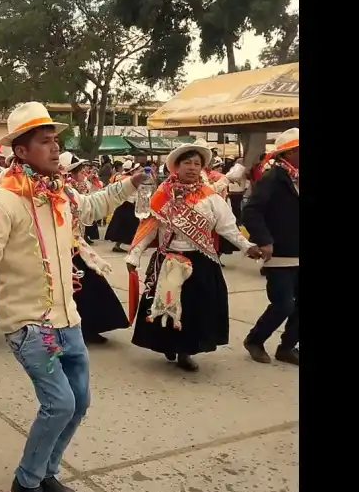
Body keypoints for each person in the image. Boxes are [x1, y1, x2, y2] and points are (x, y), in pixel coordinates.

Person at [0, 102, 147, 492]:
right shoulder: (5, 198)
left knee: (79, 402)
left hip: (68, 318)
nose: (54, 148)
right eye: (45, 142)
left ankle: (47, 474)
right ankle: (27, 482)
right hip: (31, 324)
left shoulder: (59, 190)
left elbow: (89, 208)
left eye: (55, 140)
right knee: (59, 402)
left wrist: (127, 185)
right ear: (23, 150)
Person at [126, 143, 262, 372]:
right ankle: (167, 343)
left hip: (201, 260)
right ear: (176, 167)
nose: (192, 168)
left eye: (197, 164)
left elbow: (227, 226)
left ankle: (186, 351)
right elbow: (149, 227)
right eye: (187, 163)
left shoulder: (210, 196)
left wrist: (246, 246)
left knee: (195, 309)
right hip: (169, 258)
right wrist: (135, 254)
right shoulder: (161, 195)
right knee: (166, 304)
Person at [241, 128, 299, 366]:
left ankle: (287, 346)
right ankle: (255, 340)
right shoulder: (273, 178)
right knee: (283, 303)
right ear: (289, 153)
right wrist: (264, 240)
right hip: (280, 253)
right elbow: (251, 211)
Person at [61, 154, 129, 344]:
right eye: (78, 170)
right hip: (60, 249)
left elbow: (91, 205)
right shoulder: (59, 190)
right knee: (79, 289)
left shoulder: (71, 190)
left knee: (91, 286)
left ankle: (88, 328)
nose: (83, 173)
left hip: (76, 244)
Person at [105, 159, 139, 252]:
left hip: (122, 203)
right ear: (131, 170)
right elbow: (134, 193)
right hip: (129, 204)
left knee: (121, 225)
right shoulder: (129, 179)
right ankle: (134, 246)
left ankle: (119, 244)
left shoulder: (119, 177)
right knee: (130, 226)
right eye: (135, 169)